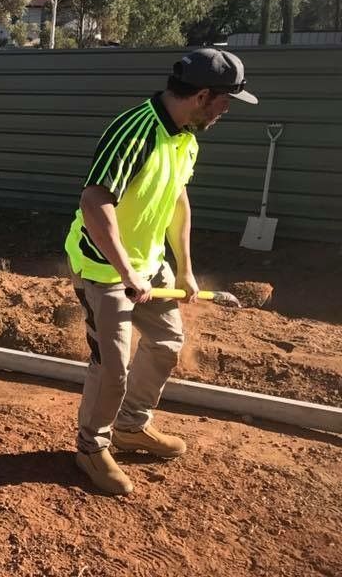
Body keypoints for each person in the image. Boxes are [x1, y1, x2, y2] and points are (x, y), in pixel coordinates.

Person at [64, 48, 258, 495]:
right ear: (203, 95)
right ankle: (91, 448)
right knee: (111, 367)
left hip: (149, 265)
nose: (227, 110)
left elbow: (176, 199)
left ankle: (131, 426)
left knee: (167, 344)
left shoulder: (187, 136)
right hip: (102, 267)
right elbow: (95, 202)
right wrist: (127, 272)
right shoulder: (136, 131)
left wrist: (185, 269)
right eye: (226, 101)